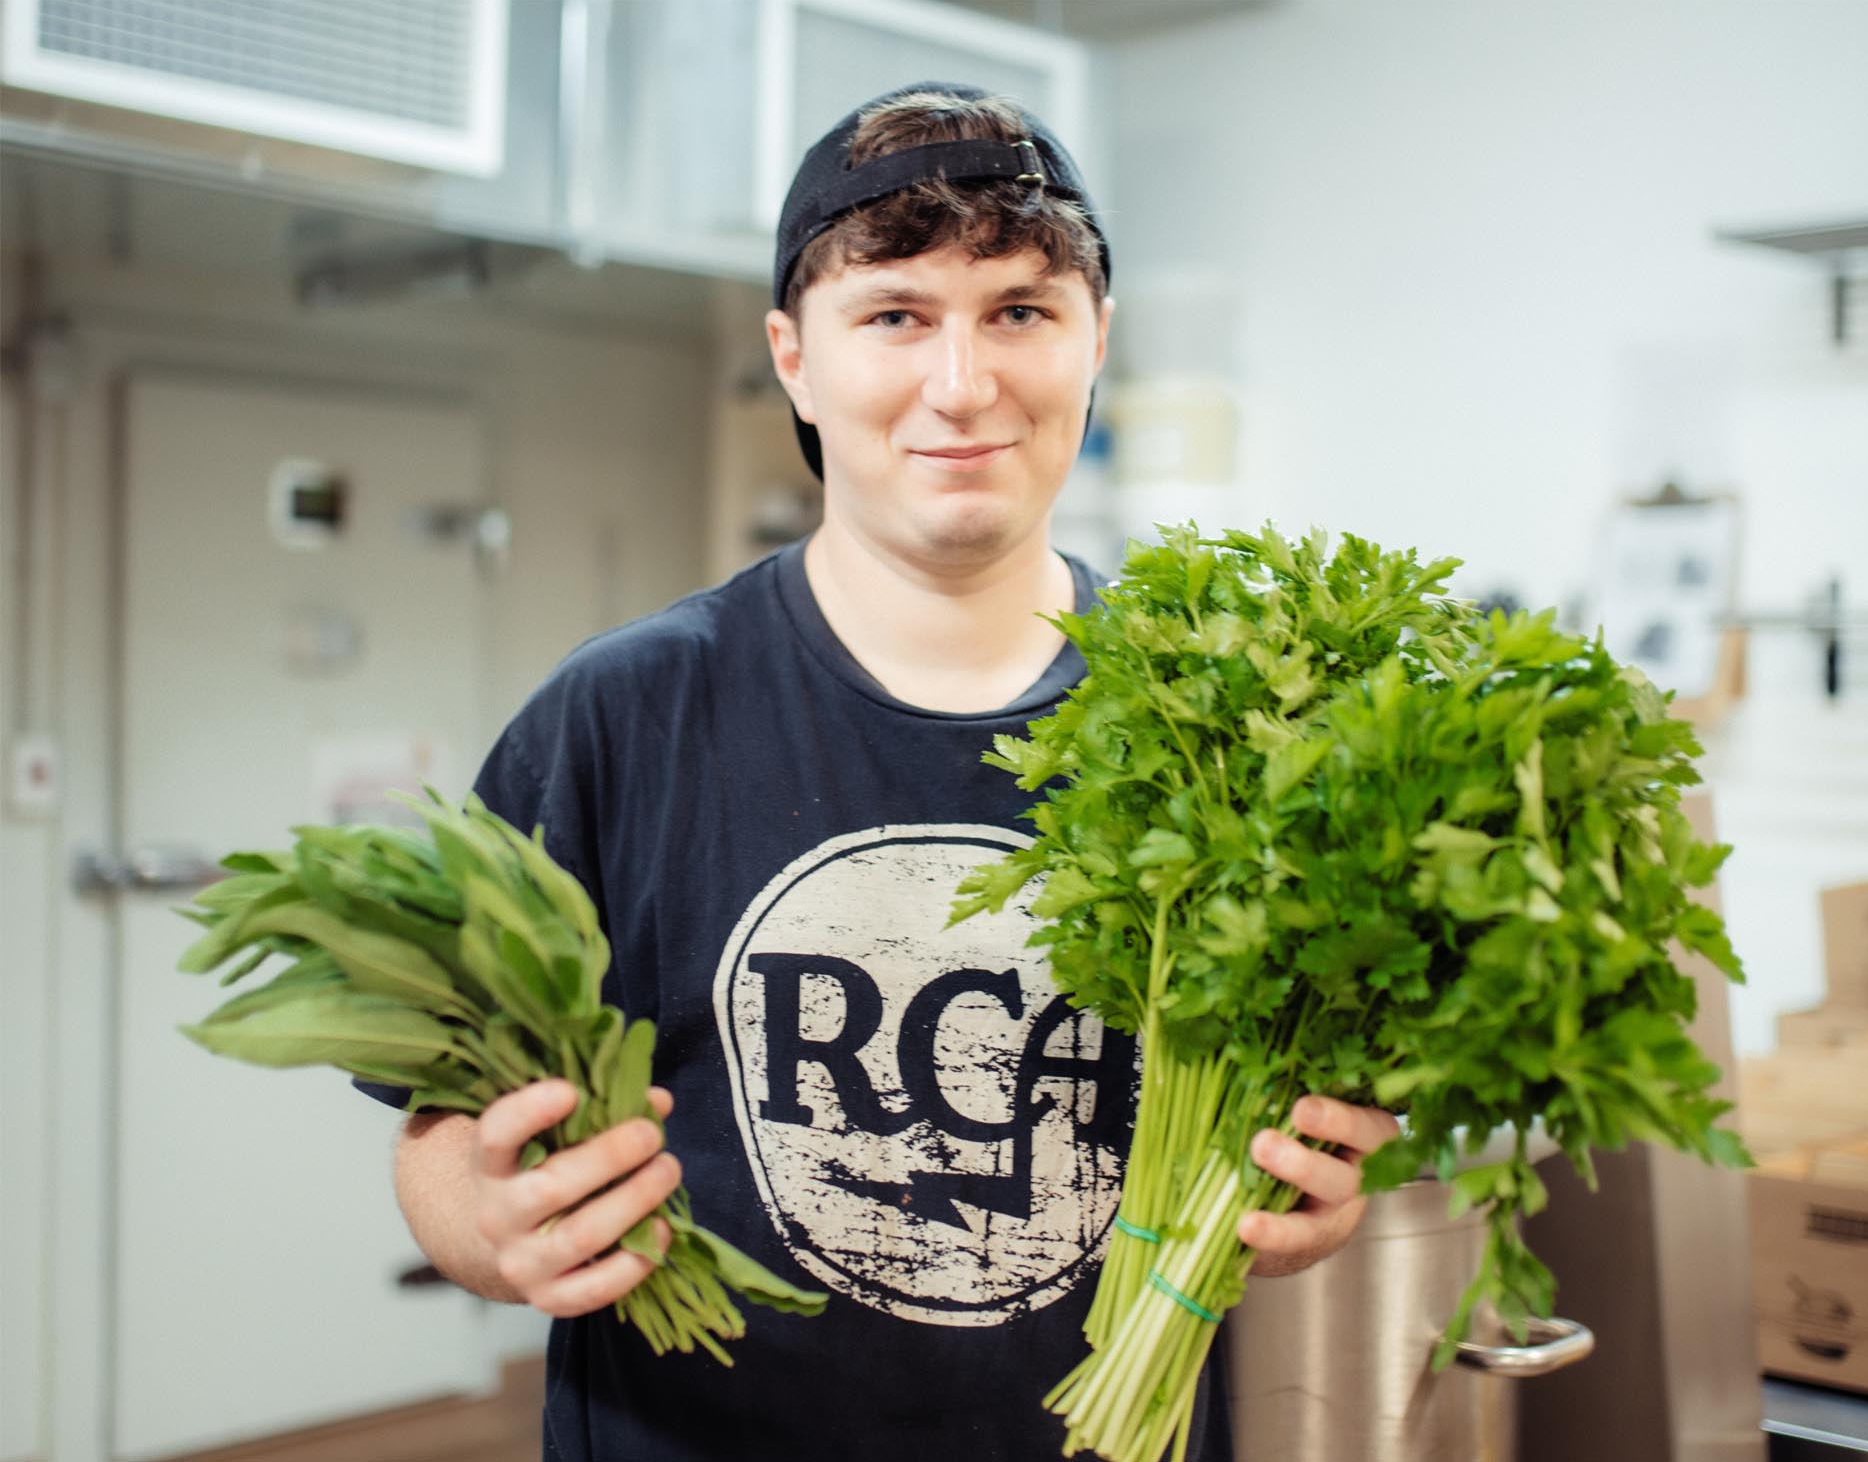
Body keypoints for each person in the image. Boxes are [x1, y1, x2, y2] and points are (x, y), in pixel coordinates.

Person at [365, 81, 1399, 1462]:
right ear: (793, 355)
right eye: (896, 314)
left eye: (1021, 310)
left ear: (1099, 341)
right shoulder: (621, 715)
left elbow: (1299, 1137)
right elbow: (442, 1118)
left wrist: (1304, 1206)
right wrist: (485, 1230)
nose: (962, 383)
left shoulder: (1229, 726)